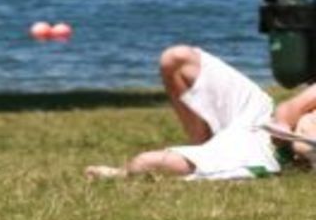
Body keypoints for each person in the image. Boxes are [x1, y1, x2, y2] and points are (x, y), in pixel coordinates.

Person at [86, 46, 316, 179]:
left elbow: (303, 149)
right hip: (261, 116)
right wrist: (282, 125)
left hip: (264, 152)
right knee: (177, 59)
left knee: (144, 163)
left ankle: (123, 174)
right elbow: (289, 108)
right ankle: (201, 146)